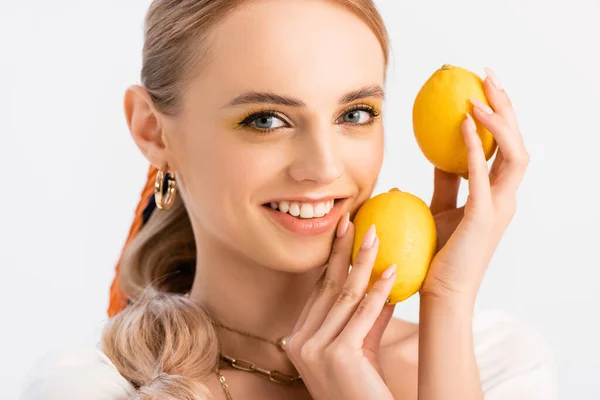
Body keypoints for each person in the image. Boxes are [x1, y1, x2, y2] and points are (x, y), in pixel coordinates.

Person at [21, 0, 558, 399]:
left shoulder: (494, 363)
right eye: (266, 120)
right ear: (153, 132)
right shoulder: (94, 389)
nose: (324, 167)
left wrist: (447, 299)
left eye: (355, 114)